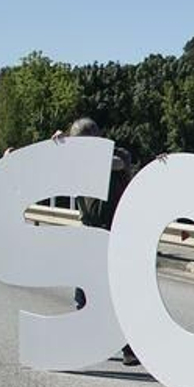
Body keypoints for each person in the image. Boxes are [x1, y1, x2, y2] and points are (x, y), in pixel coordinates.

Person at [60, 117, 138, 366]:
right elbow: (46, 168)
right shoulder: (75, 161)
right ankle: (87, 343)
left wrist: (80, 155)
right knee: (84, 296)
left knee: (119, 295)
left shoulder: (119, 154)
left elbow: (118, 165)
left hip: (115, 233)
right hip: (89, 232)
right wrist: (58, 148)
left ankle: (129, 348)